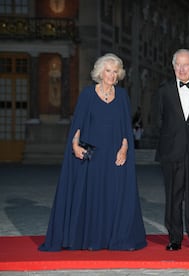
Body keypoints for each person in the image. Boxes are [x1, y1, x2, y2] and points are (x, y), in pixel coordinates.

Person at [39, 53, 147, 251]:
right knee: (93, 196)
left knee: (114, 196)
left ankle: (114, 238)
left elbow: (126, 128)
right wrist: (75, 145)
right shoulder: (88, 94)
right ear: (100, 72)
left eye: (115, 72)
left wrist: (124, 150)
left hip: (114, 155)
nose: (112, 75)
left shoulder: (122, 96)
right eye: (108, 71)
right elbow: (77, 124)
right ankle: (91, 239)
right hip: (94, 155)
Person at [154, 49, 189, 251]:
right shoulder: (163, 90)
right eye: (178, 64)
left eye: (186, 64)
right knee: (173, 197)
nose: (182, 68)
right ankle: (175, 238)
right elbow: (158, 120)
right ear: (173, 67)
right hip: (172, 151)